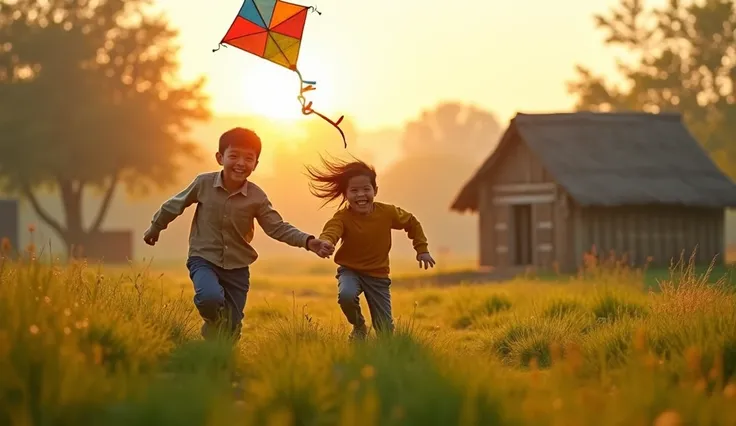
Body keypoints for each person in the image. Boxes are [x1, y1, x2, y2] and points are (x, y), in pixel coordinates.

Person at [143, 127, 334, 340]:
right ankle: (212, 323)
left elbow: (277, 227)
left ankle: (221, 353)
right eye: (233, 156)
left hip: (238, 266)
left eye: (248, 158)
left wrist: (309, 242)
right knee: (209, 298)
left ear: (256, 164)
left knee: (232, 329)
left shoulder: (257, 197)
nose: (241, 163)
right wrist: (155, 227)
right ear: (220, 157)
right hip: (203, 258)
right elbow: (173, 206)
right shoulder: (203, 183)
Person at [306, 156, 435, 340]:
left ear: (375, 190)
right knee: (346, 296)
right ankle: (358, 325)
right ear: (346, 194)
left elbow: (412, 222)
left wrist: (421, 249)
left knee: (385, 333)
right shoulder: (342, 217)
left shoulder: (387, 213)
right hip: (350, 271)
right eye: (354, 191)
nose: (360, 195)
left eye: (366, 189)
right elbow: (331, 230)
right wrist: (326, 242)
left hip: (378, 275)